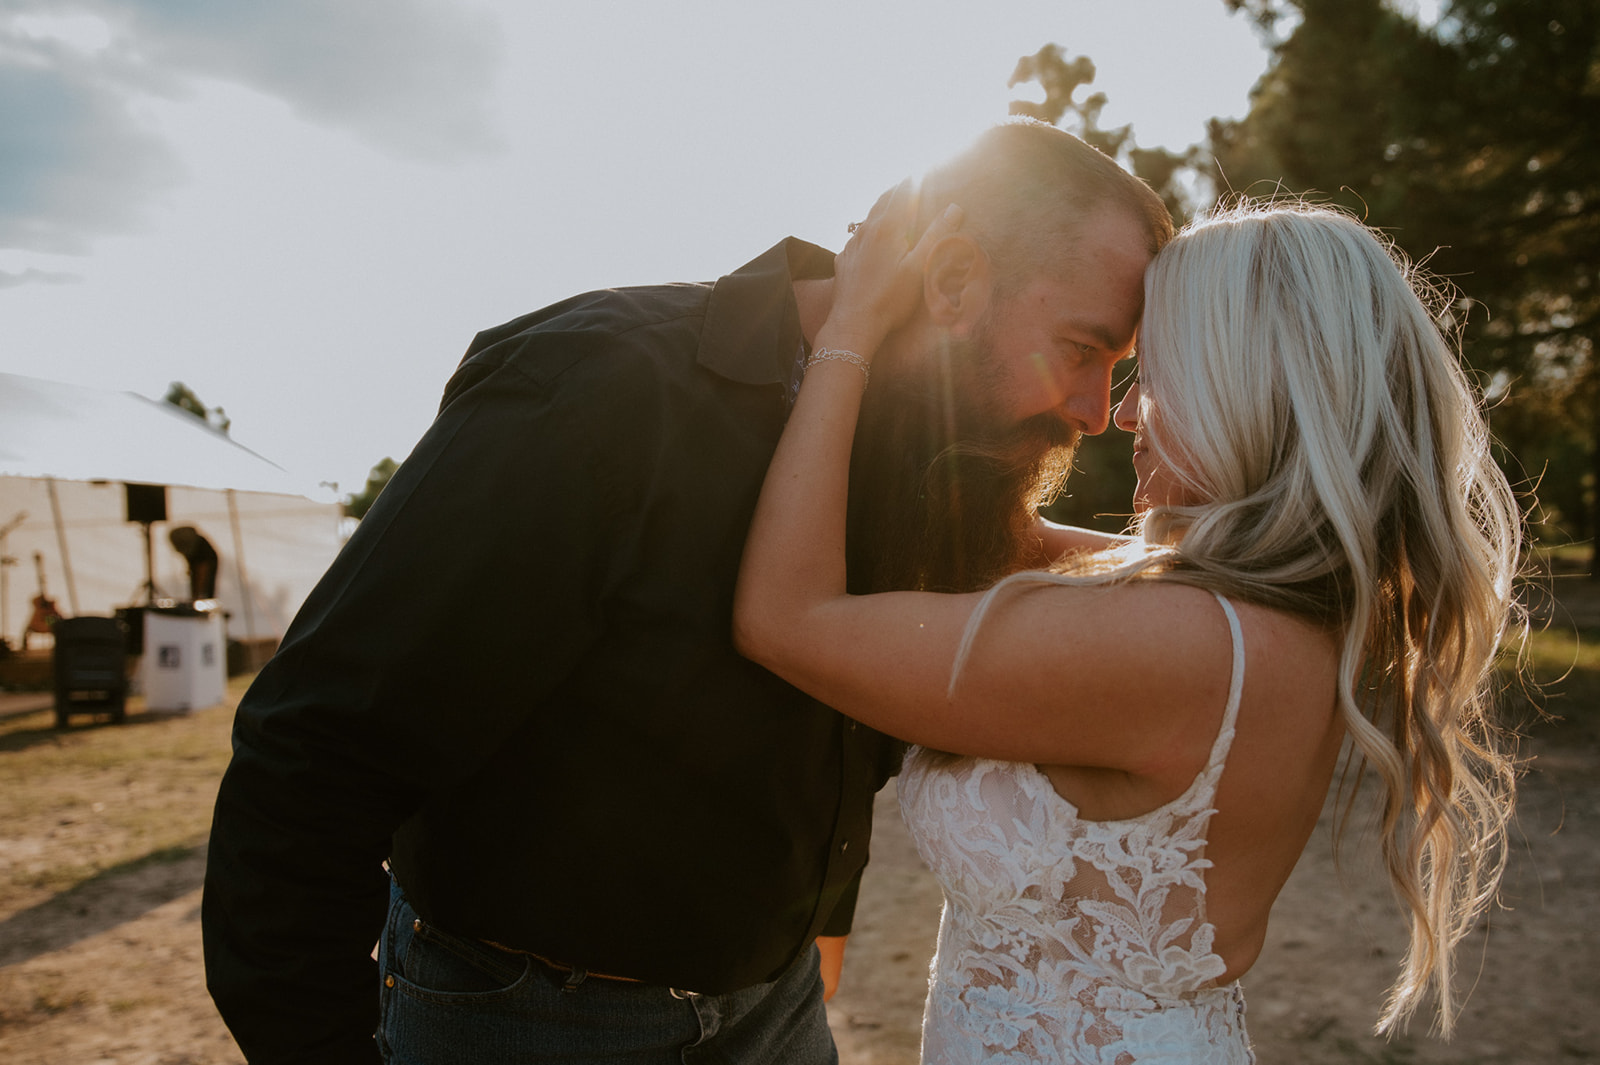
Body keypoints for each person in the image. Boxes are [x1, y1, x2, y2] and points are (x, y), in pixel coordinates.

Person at [201, 119, 1174, 1064]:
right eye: (1081, 348)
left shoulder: (919, 440)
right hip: (529, 1021)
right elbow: (314, 747)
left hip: (777, 1007)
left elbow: (980, 581)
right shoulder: (601, 385)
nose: (1092, 412)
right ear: (954, 279)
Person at [733, 195, 1522, 1062]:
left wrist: (850, 332)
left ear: (1242, 384)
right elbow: (997, 540)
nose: (1120, 412)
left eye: (1154, 373)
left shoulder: (1182, 643)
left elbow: (785, 618)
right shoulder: (1273, 609)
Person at [168, 524, 219, 601]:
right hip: (201, 560)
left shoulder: (203, 553)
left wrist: (198, 595)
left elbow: (202, 570)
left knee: (204, 588)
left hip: (204, 561)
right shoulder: (195, 547)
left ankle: (200, 597)